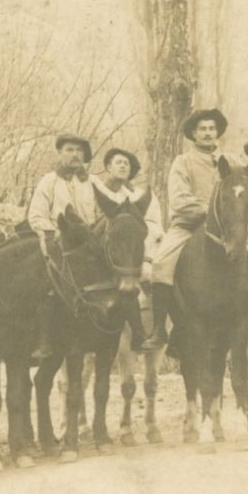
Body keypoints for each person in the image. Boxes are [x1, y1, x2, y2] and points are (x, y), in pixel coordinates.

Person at [147, 108, 230, 349]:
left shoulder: (231, 161)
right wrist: (210, 211)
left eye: (212, 128)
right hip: (188, 226)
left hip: (225, 230)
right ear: (193, 134)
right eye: (202, 129)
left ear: (218, 132)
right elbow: (180, 199)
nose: (207, 133)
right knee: (161, 264)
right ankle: (160, 329)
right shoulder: (183, 162)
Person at [27, 134, 104, 360]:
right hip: (60, 238)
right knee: (47, 279)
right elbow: (36, 215)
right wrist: (57, 233)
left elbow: (107, 208)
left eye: (79, 151)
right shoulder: (49, 181)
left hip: (88, 241)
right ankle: (43, 337)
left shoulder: (92, 182)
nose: (75, 155)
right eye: (69, 150)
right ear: (60, 154)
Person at [95, 146, 162, 351]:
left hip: (130, 252)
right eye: (119, 162)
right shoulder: (96, 189)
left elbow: (152, 226)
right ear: (107, 167)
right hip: (99, 247)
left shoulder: (138, 196)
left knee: (144, 284)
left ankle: (145, 333)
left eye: (127, 163)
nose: (123, 166)